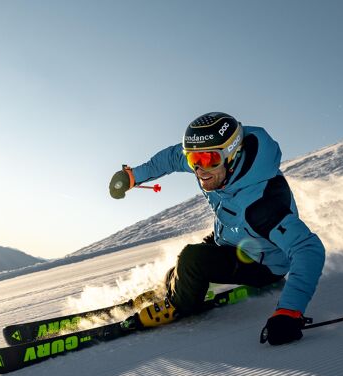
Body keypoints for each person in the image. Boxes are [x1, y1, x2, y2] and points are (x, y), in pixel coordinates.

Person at [109, 111, 325, 345]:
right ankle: (174, 287)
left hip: (265, 264)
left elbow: (308, 249)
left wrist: (289, 312)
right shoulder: (214, 166)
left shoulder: (262, 206)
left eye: (208, 160)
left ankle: (179, 305)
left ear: (232, 154)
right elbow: (172, 157)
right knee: (182, 266)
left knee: (193, 259)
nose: (200, 171)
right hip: (234, 238)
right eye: (194, 160)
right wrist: (133, 177)